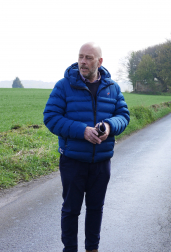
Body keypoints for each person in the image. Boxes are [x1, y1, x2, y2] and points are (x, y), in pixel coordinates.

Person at [43, 42, 130, 252]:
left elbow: (124, 116)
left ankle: (92, 248)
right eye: (81, 56)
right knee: (71, 209)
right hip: (73, 161)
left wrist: (109, 126)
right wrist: (83, 131)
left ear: (99, 62)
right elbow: (51, 118)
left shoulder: (113, 88)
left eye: (89, 58)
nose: (83, 61)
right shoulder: (63, 86)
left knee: (95, 209)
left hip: (101, 161)